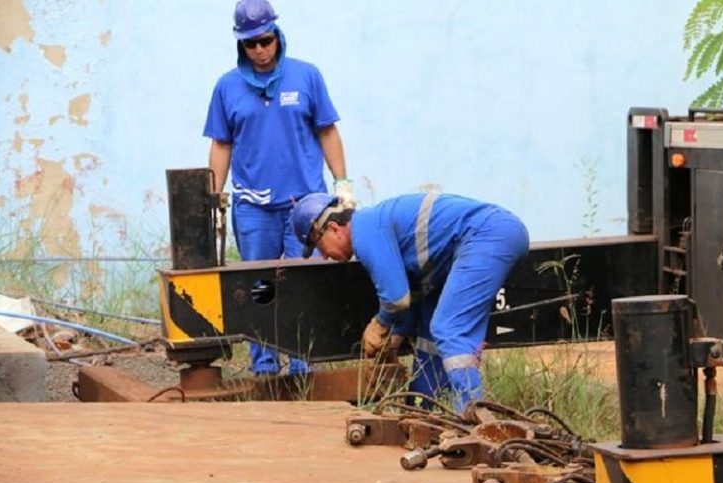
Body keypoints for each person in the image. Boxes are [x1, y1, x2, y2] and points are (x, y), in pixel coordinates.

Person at [203, 0, 354, 375]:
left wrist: (343, 181)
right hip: (254, 208)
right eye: (251, 44)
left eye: (266, 41)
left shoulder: (306, 77)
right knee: (260, 288)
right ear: (241, 44)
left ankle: (303, 368)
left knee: (305, 285)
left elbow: (327, 130)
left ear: (277, 36)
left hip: (307, 206)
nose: (260, 51)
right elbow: (221, 144)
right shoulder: (227, 87)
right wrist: (213, 197)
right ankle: (265, 368)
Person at [291, 192, 529, 411]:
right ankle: (424, 413)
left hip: (487, 235)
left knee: (449, 328)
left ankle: (473, 417)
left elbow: (397, 298)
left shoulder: (365, 231)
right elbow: (413, 292)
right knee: (430, 333)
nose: (323, 256)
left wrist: (379, 324)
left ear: (334, 228)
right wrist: (397, 334)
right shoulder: (374, 226)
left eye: (319, 246)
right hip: (484, 238)